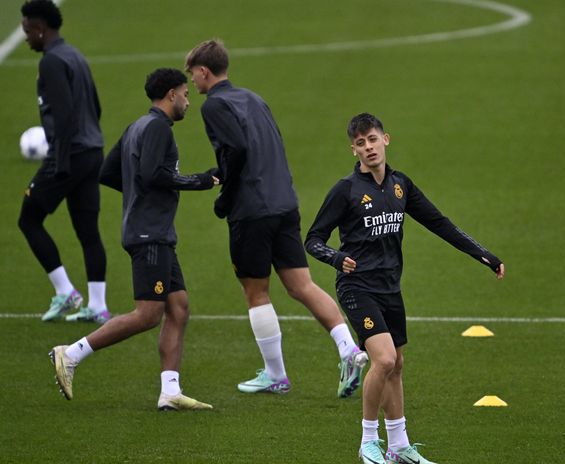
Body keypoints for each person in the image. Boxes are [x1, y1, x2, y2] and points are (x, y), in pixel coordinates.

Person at [305, 113, 505, 464]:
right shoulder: (346, 191)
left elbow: (439, 223)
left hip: (389, 288)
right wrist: (336, 259)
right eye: (361, 143)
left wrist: (482, 254)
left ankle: (399, 446)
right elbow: (313, 239)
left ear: (386, 139)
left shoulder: (401, 186)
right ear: (353, 150)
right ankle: (368, 442)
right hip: (356, 286)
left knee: (396, 364)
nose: (368, 147)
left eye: (373, 139)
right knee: (382, 359)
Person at [184, 39, 367, 398]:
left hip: (251, 210)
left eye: (192, 74)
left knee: (256, 291)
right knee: (302, 285)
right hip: (284, 203)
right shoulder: (254, 98)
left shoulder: (214, 106)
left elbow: (235, 149)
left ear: (204, 71)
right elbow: (274, 144)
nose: (192, 82)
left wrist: (225, 195)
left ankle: (276, 375)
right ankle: (350, 350)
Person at [49, 68, 218, 411]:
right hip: (149, 234)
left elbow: (109, 173)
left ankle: (170, 390)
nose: (188, 100)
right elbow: (152, 174)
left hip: (153, 232)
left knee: (179, 307)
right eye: (185, 94)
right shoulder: (157, 128)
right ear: (171, 94)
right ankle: (71, 354)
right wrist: (199, 181)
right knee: (147, 314)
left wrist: (140, 194)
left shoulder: (136, 126)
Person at [18, 0, 109, 323]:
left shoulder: (52, 62)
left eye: (28, 31)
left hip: (68, 155)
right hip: (92, 152)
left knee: (28, 219)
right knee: (88, 230)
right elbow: (95, 108)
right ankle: (98, 305)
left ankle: (65, 291)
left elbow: (65, 115)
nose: (26, 37)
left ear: (41, 29)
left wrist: (60, 161)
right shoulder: (76, 55)